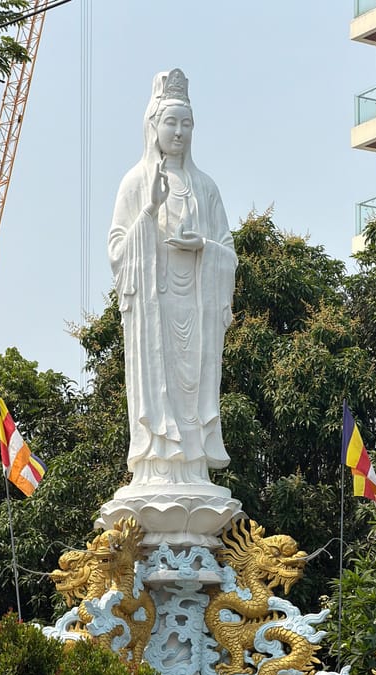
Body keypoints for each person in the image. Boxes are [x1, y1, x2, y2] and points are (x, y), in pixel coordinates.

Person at [109, 68, 237, 487]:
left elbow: (228, 251)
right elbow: (117, 250)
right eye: (171, 122)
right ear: (153, 127)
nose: (179, 132)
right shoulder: (134, 182)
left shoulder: (206, 187)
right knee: (157, 384)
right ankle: (156, 464)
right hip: (154, 308)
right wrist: (149, 210)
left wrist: (202, 246)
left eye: (186, 123)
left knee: (195, 386)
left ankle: (193, 466)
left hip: (196, 307)